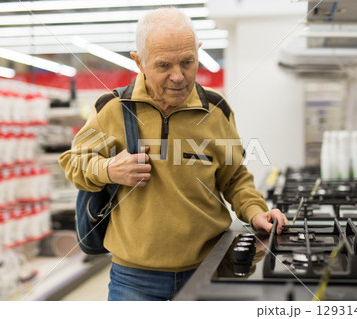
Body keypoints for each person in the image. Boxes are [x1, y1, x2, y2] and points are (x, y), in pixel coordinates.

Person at [59, 7, 288, 301]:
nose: (178, 76)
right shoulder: (113, 109)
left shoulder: (216, 110)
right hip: (133, 279)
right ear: (139, 61)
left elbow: (234, 178)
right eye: (164, 65)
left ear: (198, 51)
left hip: (210, 268)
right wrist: (108, 171)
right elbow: (73, 163)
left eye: (188, 62)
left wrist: (255, 211)